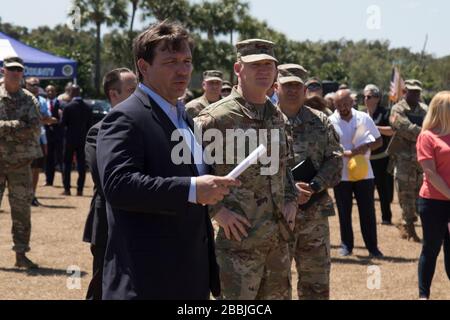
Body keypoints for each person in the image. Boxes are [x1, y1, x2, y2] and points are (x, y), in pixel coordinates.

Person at [96, 20, 239, 300]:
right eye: (171, 61)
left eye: (187, 61)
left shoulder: (183, 117)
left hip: (188, 276)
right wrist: (191, 189)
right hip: (147, 279)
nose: (183, 70)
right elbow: (118, 185)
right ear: (144, 67)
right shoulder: (125, 117)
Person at [195, 39, 298, 300]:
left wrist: (291, 199)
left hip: (277, 243)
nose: (263, 71)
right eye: (255, 65)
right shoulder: (214, 119)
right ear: (238, 69)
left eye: (268, 65)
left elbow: (283, 167)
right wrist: (217, 211)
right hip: (237, 245)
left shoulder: (277, 116)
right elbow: (185, 173)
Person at [276, 63, 343, 300]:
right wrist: (288, 189)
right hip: (276, 216)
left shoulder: (321, 121)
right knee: (275, 286)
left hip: (314, 215)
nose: (292, 90)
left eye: (297, 85)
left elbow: (335, 160)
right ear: (276, 87)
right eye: (287, 85)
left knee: (316, 284)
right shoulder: (263, 121)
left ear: (305, 90)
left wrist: (314, 186)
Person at [83, 67, 137, 300]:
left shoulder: (142, 127)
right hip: (108, 223)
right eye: (131, 90)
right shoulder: (99, 131)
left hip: (140, 224)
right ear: (113, 95)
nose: (138, 95)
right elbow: (106, 180)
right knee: (102, 286)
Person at [330, 89, 384, 257]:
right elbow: (327, 147)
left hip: (364, 173)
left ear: (352, 102)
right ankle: (346, 245)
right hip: (342, 173)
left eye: (346, 103)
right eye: (339, 105)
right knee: (344, 211)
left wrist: (366, 147)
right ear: (334, 105)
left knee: (367, 211)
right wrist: (342, 153)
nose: (343, 107)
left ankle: (372, 247)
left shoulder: (363, 118)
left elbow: (379, 141)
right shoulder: (330, 121)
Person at [0, 56, 42, 269]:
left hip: (20, 165)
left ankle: (21, 254)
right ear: (3, 71)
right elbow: (25, 128)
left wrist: (4, 128)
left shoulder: (29, 99)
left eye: (19, 70)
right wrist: (17, 126)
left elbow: (35, 129)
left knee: (21, 212)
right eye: (11, 69)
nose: (15, 73)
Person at [416, 91, 450, 300]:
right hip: (433, 202)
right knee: (431, 249)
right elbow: (430, 172)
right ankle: (424, 295)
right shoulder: (427, 136)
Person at [389, 79, 428, 242]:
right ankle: (409, 227)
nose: (415, 94)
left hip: (422, 159)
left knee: (420, 194)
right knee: (405, 194)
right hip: (403, 159)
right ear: (405, 92)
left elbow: (432, 124)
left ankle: (418, 225)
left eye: (417, 91)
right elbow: (403, 127)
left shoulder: (425, 109)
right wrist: (425, 133)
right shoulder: (397, 108)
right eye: (411, 91)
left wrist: (424, 132)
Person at [364, 84, 394, 225]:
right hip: (365, 158)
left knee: (383, 190)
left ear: (376, 98)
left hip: (381, 158)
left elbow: (392, 130)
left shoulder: (385, 112)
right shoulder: (361, 114)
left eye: (369, 96)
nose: (365, 99)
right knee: (367, 191)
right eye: (364, 96)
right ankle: (369, 218)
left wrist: (374, 128)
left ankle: (386, 217)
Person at [25, 77, 56, 206]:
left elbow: (47, 118)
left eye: (37, 85)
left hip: (38, 139)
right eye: (32, 85)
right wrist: (40, 119)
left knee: (36, 169)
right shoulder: (22, 99)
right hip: (23, 141)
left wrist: (41, 119)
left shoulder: (42, 100)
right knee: (23, 170)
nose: (35, 87)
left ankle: (32, 196)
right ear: (26, 85)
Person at [61, 85, 92, 196]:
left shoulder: (68, 107)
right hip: (83, 139)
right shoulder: (88, 107)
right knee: (81, 164)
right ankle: (80, 190)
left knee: (67, 164)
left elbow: (62, 124)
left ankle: (67, 189)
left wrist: (61, 116)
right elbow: (90, 125)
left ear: (71, 93)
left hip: (69, 139)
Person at [44, 85, 64, 186]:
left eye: (52, 91)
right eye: (48, 91)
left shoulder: (60, 103)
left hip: (58, 134)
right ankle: (49, 180)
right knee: (48, 158)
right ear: (45, 92)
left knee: (61, 157)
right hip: (47, 134)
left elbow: (63, 118)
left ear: (56, 92)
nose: (50, 93)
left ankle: (65, 181)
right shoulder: (42, 103)